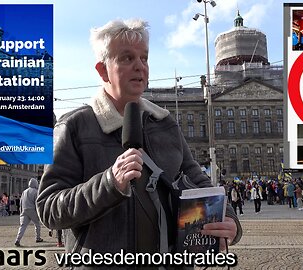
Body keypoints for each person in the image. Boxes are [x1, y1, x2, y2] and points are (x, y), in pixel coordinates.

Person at [36, 19, 241, 261]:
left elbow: (198, 180)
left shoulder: (165, 124)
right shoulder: (74, 126)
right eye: (126, 58)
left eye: (144, 58)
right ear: (103, 70)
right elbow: (49, 209)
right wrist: (109, 183)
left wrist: (229, 219)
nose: (139, 66)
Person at [14, 178, 43, 247]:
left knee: (22, 226)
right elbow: (37, 203)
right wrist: (38, 212)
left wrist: (21, 211)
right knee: (37, 224)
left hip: (24, 210)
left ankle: (17, 240)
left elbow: (21, 202)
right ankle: (38, 238)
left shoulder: (24, 191)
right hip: (32, 210)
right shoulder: (36, 191)